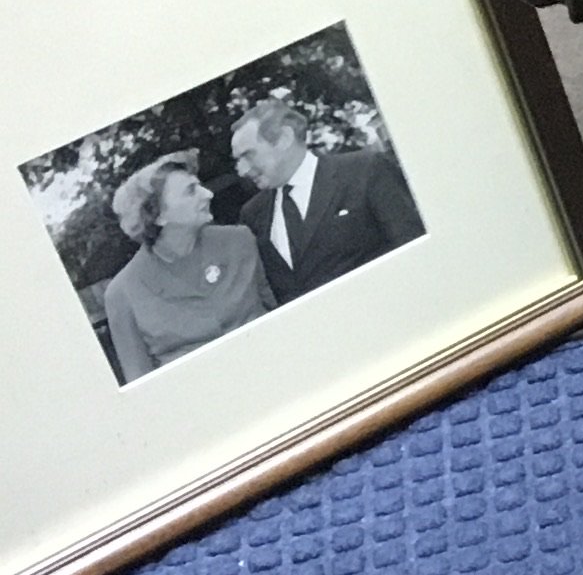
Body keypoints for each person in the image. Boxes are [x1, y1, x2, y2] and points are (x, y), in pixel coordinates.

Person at [97, 153, 274, 380]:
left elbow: (278, 310)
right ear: (158, 215)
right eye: (191, 191)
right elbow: (140, 384)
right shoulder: (122, 293)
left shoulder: (240, 240)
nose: (208, 194)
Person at [229, 99, 422, 302]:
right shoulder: (252, 215)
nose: (242, 170)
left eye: (248, 155)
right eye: (238, 160)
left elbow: (413, 248)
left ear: (284, 138)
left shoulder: (366, 171)